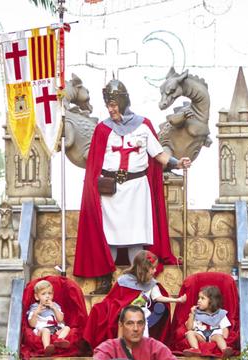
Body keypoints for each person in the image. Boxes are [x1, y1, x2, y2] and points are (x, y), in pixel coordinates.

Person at [73, 79, 190, 293]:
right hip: (111, 191)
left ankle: (139, 280)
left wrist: (177, 163)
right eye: (108, 105)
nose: (111, 109)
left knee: (137, 235)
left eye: (114, 105)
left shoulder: (143, 125)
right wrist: (93, 188)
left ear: (124, 101)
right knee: (109, 235)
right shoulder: (102, 129)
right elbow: (95, 163)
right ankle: (106, 279)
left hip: (137, 188)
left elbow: (158, 154)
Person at [85, 305, 185, 360]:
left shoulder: (154, 346)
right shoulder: (110, 346)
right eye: (130, 323)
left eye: (140, 323)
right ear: (121, 325)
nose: (136, 329)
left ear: (145, 325)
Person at [184, 285, 232, 358]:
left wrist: (225, 338)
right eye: (199, 298)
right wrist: (192, 314)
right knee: (189, 333)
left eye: (202, 298)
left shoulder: (220, 313)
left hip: (214, 335)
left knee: (219, 337)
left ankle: (224, 350)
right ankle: (195, 349)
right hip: (201, 335)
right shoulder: (196, 313)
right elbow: (189, 328)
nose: (198, 301)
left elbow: (225, 328)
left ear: (212, 301)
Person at [27, 280, 71, 356]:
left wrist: (54, 308)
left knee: (67, 328)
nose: (47, 296)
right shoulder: (35, 307)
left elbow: (60, 319)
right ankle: (47, 348)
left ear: (53, 295)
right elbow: (32, 324)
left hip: (55, 328)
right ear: (37, 297)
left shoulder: (55, 305)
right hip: (42, 329)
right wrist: (36, 312)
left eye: (49, 293)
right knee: (46, 330)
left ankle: (59, 340)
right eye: (43, 294)